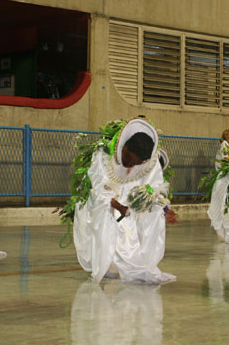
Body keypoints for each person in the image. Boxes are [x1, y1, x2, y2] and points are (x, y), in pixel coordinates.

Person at [70, 118, 175, 283]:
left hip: (125, 204)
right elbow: (99, 189)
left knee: (152, 217)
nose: (131, 165)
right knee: (105, 218)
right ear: (124, 147)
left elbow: (156, 189)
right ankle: (104, 263)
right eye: (129, 159)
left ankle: (140, 263)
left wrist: (165, 210)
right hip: (102, 202)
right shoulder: (103, 155)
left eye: (136, 163)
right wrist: (118, 206)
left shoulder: (150, 163)